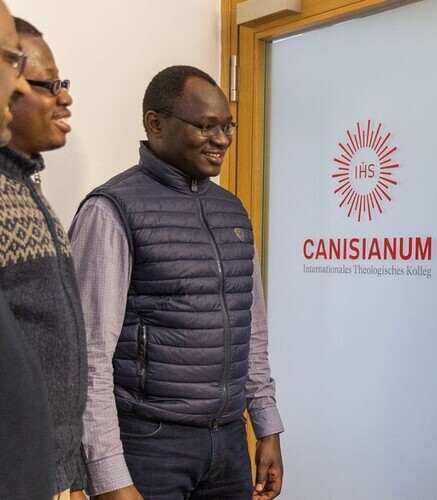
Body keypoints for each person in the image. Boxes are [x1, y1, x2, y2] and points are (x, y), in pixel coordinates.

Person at [71, 65, 284, 500]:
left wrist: (267, 424)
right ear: (155, 123)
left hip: (228, 442)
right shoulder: (110, 210)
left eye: (228, 126)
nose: (222, 139)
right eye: (206, 126)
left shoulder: (232, 212)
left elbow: (252, 333)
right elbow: (88, 356)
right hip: (148, 446)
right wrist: (108, 474)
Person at [0, 17, 87, 499]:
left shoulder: (26, 186)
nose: (65, 98)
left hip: (51, 473)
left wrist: (72, 474)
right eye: (48, 84)